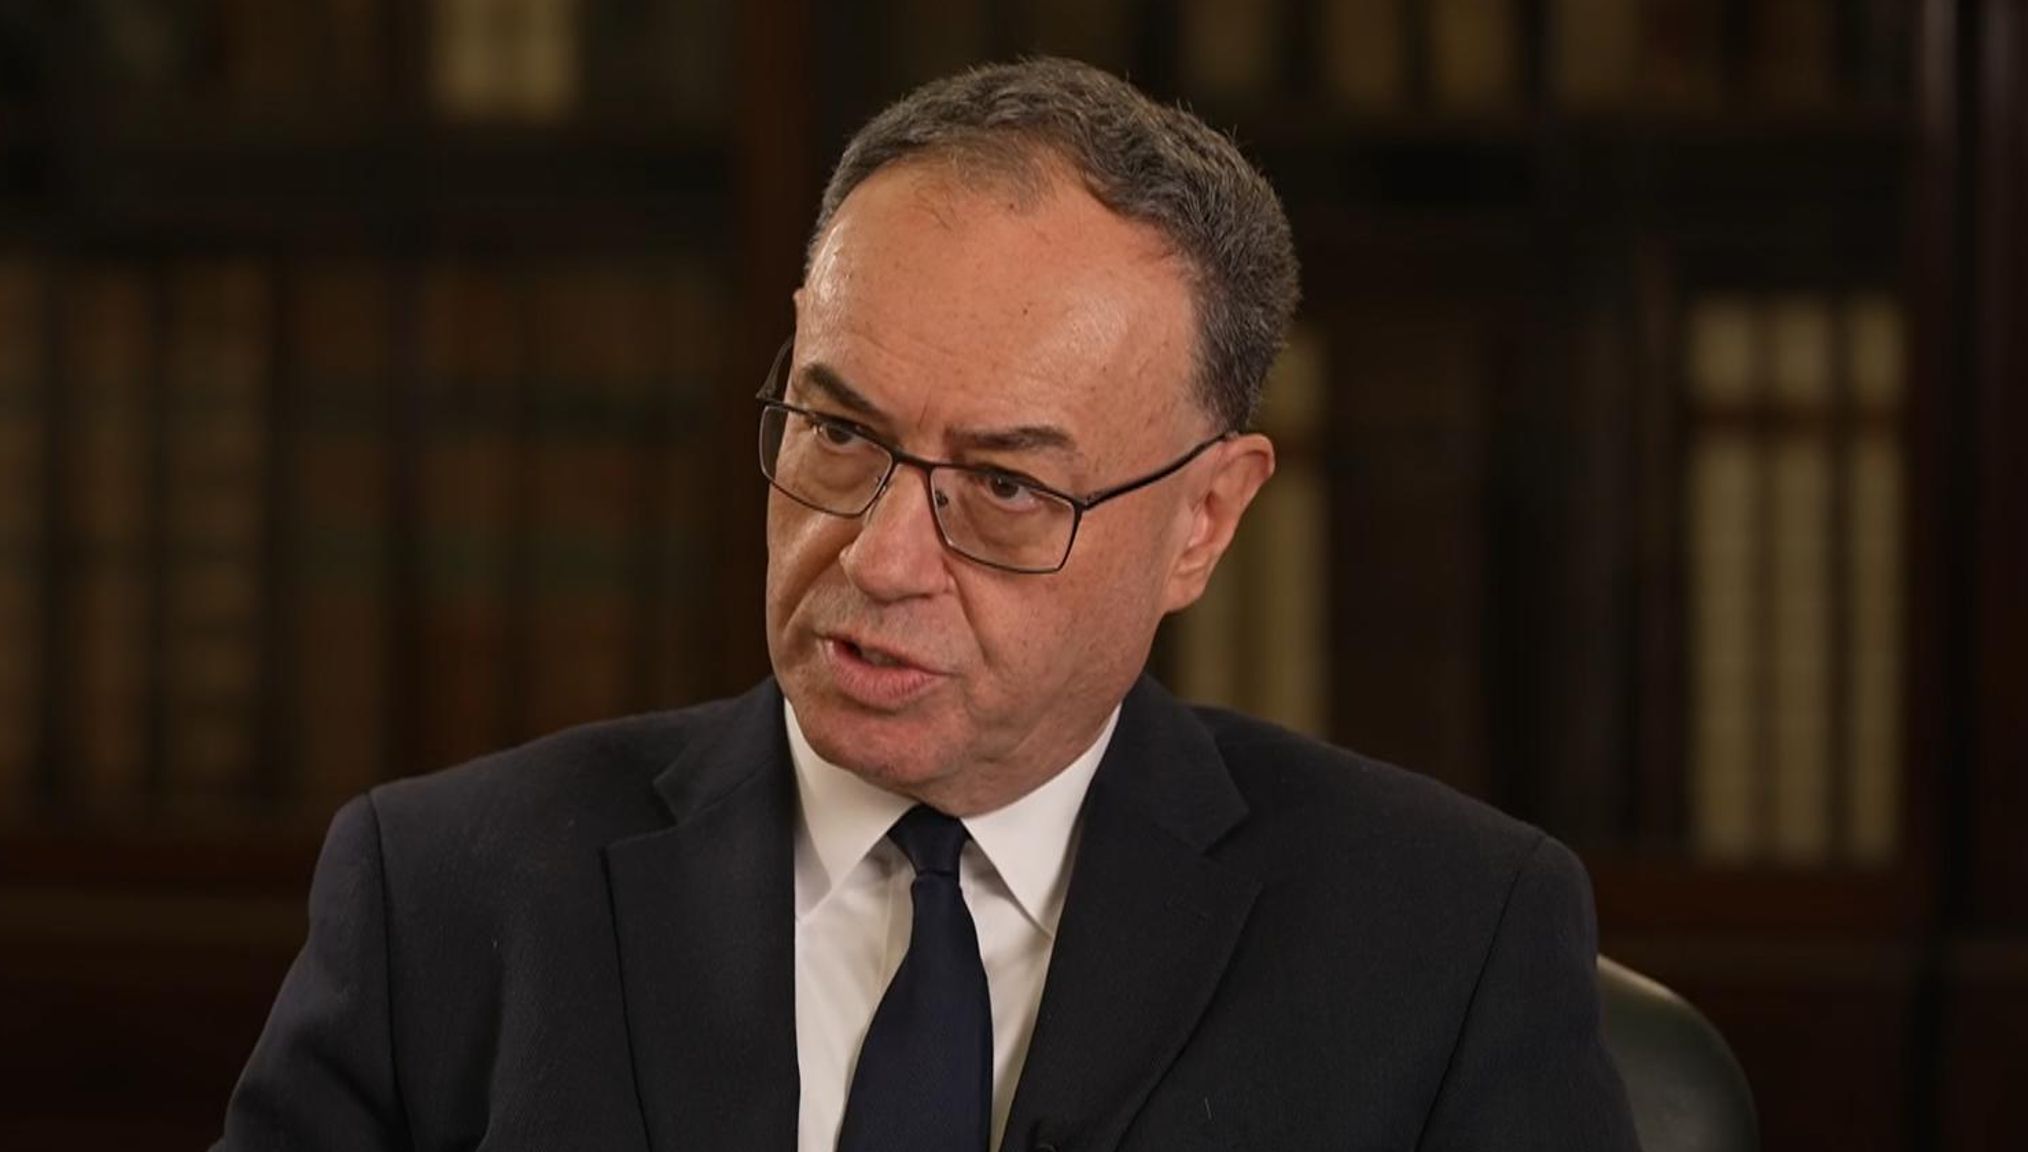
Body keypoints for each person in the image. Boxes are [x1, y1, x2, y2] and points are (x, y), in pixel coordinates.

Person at [216, 58, 1638, 1152]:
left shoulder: (1446, 941)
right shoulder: (442, 895)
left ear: (1205, 520)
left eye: (1005, 487)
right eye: (839, 432)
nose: (882, 558)